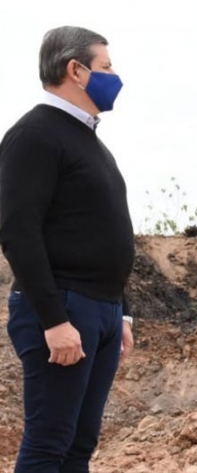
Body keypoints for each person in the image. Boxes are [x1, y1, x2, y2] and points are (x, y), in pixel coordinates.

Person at [0, 26, 135, 471]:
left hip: (102, 311)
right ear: (74, 70)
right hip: (64, 307)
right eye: (106, 67)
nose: (114, 77)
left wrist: (123, 312)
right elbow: (18, 229)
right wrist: (54, 320)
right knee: (48, 445)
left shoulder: (93, 144)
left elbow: (109, 233)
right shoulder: (34, 135)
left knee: (79, 445)